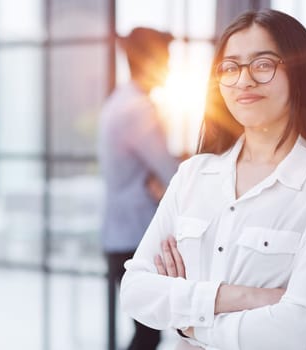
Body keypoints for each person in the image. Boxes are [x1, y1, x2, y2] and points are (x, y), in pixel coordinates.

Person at [120, 9, 306, 350]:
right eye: (230, 67)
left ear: (299, 73)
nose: (243, 80)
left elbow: (296, 328)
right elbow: (134, 292)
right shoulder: (193, 174)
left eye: (263, 64)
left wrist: (188, 324)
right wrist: (247, 296)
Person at [98, 27, 180, 350]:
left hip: (120, 235)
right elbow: (171, 174)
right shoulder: (139, 109)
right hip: (135, 237)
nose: (170, 69)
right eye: (166, 60)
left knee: (146, 332)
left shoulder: (119, 101)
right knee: (148, 333)